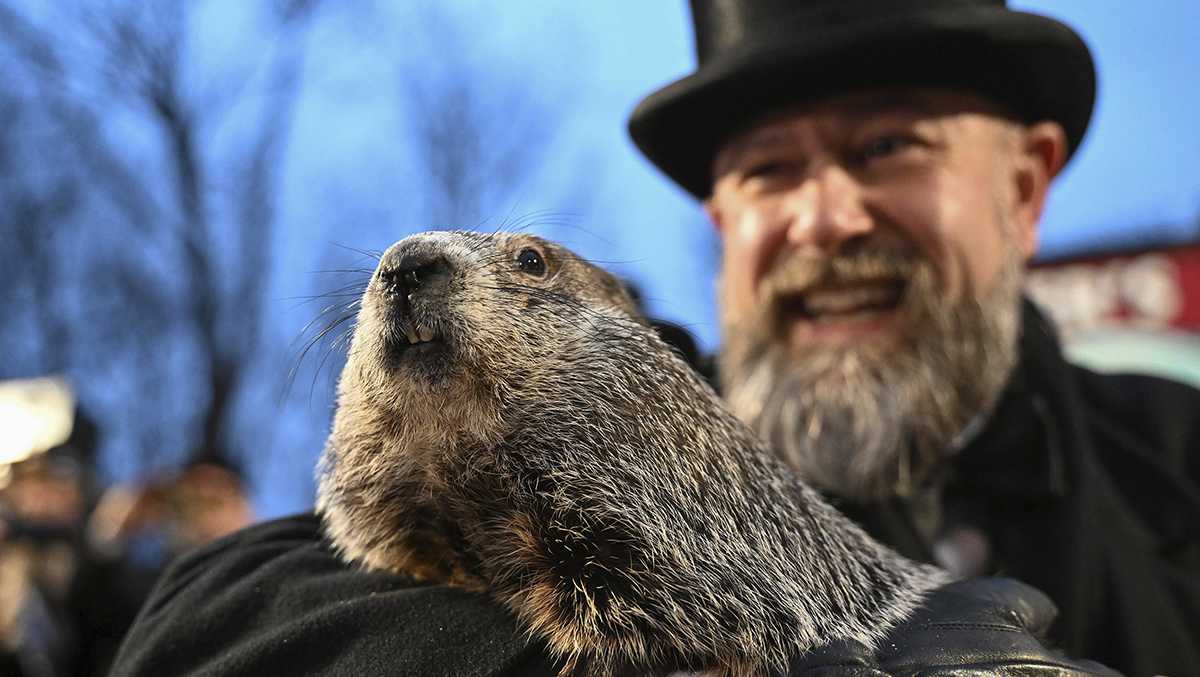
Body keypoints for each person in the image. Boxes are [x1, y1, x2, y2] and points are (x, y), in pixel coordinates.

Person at [110, 2, 1196, 676]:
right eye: (768, 170)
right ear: (725, 226)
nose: (825, 219)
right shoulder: (596, 399)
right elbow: (212, 621)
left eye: (887, 146)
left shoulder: (1177, 451)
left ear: (1023, 187)